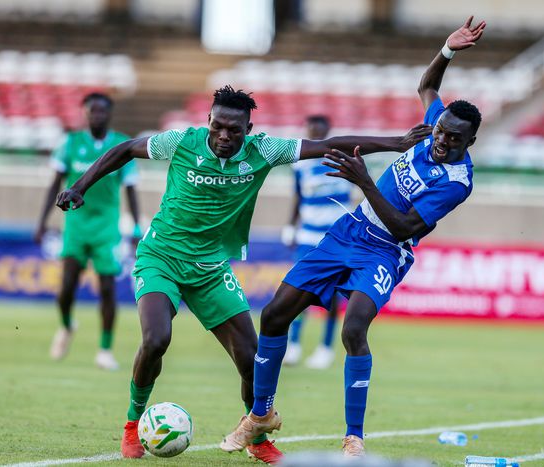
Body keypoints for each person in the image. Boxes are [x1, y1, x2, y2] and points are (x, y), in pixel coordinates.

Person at [55, 85, 429, 464]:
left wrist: (396, 144)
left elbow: (328, 145)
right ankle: (132, 424)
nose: (224, 136)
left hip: (211, 269)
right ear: (208, 121)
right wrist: (79, 186)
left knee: (252, 360)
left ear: (248, 129)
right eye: (217, 127)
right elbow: (124, 149)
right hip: (161, 258)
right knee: (156, 339)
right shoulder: (181, 142)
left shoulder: (263, 151)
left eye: (234, 130)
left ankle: (257, 437)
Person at [220, 16, 486, 458]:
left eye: (453, 138)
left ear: (469, 142)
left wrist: (364, 180)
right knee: (275, 314)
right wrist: (447, 50)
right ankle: (260, 414)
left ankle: (354, 438)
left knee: (354, 328)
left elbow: (404, 227)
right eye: (440, 131)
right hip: (349, 230)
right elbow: (427, 85)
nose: (441, 140)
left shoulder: (457, 181)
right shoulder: (434, 126)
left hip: (386, 251)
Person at [35, 92, 140, 371]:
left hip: (107, 227)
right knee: (67, 287)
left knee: (107, 288)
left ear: (109, 114)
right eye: (92, 111)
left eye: (102, 111)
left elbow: (131, 190)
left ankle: (105, 350)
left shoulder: (121, 145)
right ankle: (67, 325)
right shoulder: (70, 143)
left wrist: (136, 227)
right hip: (76, 225)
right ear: (85, 113)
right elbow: (55, 184)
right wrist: (42, 222)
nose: (97, 116)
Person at [282, 115, 351, 369]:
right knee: (299, 291)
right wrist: (291, 225)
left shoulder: (343, 158)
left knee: (332, 295)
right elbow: (298, 197)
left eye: (319, 131)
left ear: (328, 130)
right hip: (308, 236)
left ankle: (326, 347)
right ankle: (293, 344)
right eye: (311, 130)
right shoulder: (300, 164)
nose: (315, 135)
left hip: (336, 238)